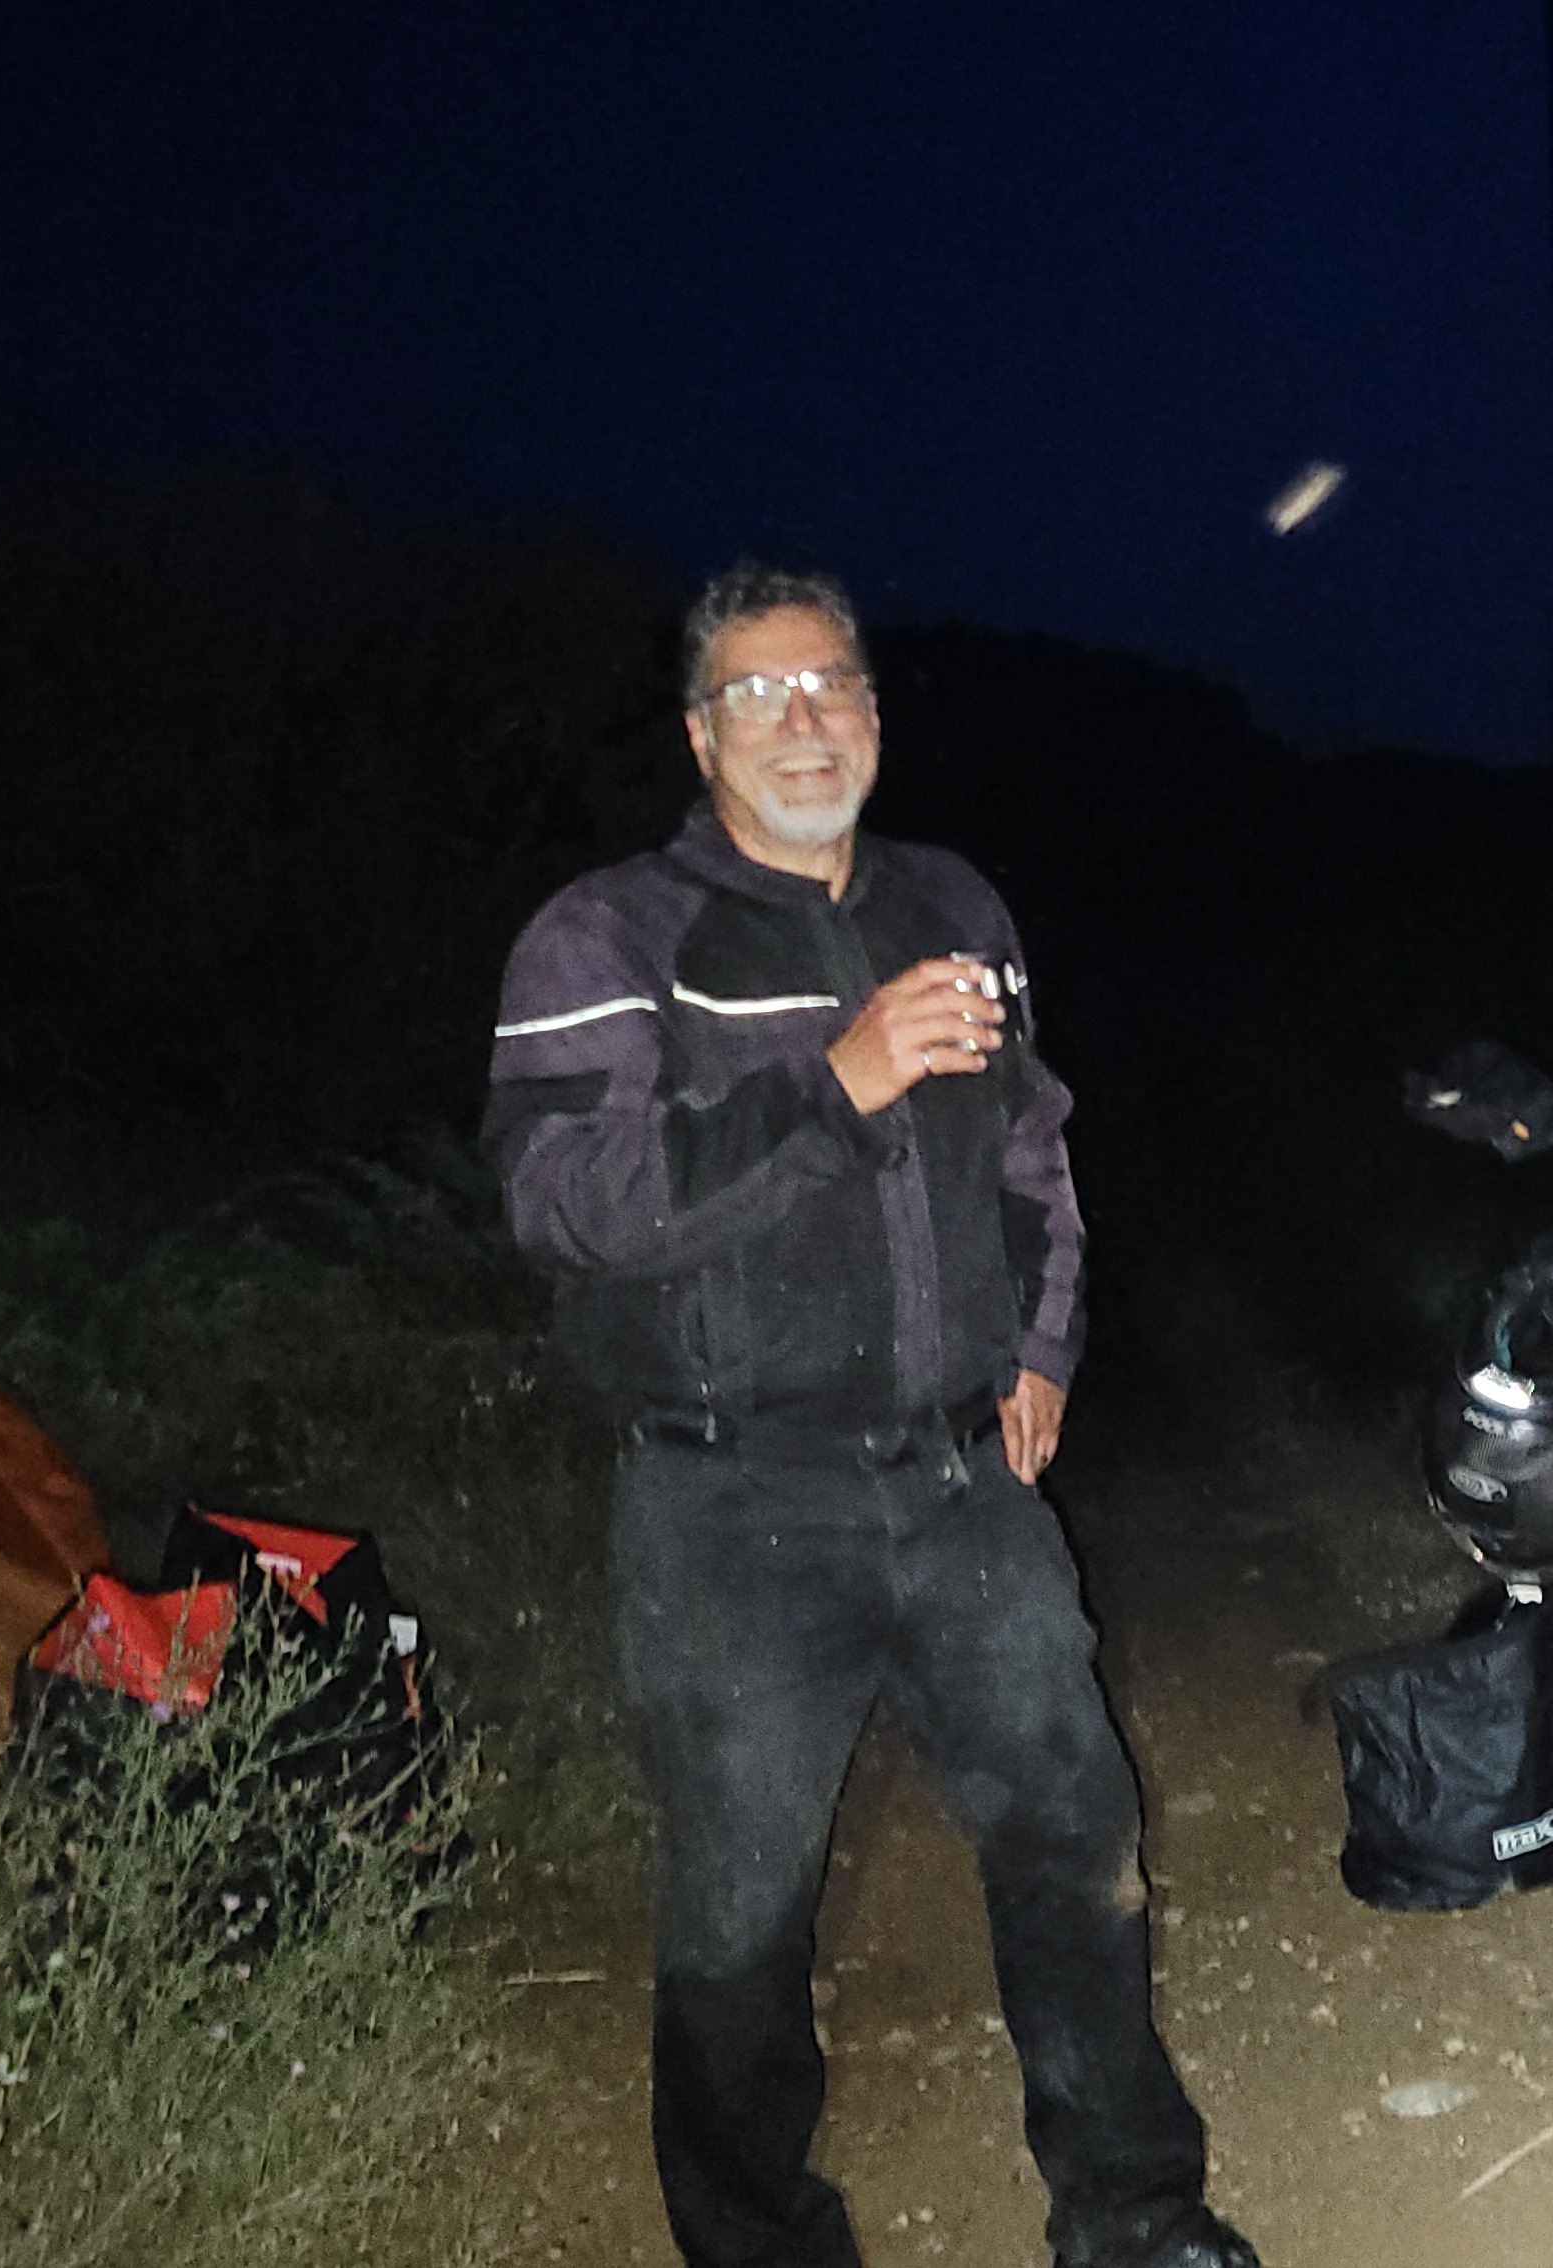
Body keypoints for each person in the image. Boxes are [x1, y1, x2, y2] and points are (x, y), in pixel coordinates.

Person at [483, 563, 1259, 2268]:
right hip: (732, 1509)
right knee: (741, 1917)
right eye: (758, 695)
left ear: (879, 715)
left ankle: (1133, 2218)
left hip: (964, 1486)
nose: (804, 719)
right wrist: (837, 1078)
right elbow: (572, 1203)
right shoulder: (607, 939)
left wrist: (1045, 1346)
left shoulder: (956, 906)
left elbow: (1036, 1150)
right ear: (701, 736)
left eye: (832, 683)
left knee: (1075, 1847)